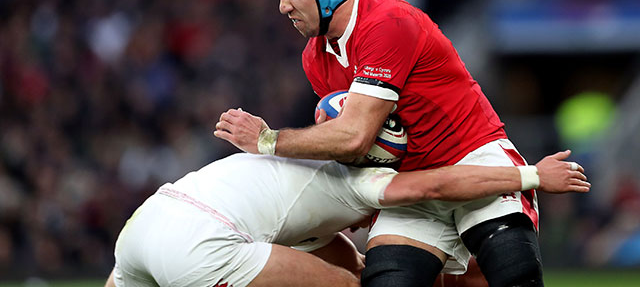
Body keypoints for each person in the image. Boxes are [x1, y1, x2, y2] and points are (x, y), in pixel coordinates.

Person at [214, 0, 563, 287]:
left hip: (472, 157)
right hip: (408, 183)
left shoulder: (388, 22)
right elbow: (352, 149)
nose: (283, 7)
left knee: (513, 272)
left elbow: (352, 137)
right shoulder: (314, 57)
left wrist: (267, 140)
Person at [104, 151, 589, 287]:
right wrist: (530, 176)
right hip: (202, 243)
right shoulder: (357, 177)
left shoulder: (296, 174)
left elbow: (347, 259)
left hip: (144, 227)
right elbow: (440, 185)